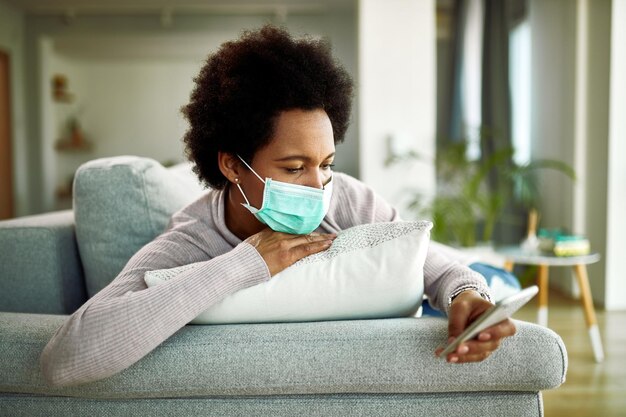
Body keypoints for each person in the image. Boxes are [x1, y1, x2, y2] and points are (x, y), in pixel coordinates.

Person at [40, 25, 516, 387]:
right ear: (230, 165)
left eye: (325, 163)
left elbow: (438, 267)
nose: (317, 186)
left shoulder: (346, 197)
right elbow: (66, 359)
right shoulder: (191, 239)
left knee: (495, 280)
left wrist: (468, 295)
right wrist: (244, 264)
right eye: (293, 168)